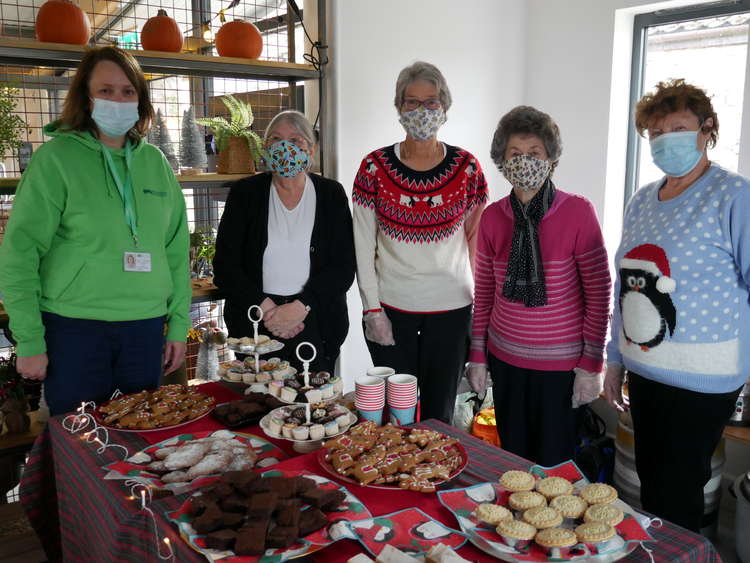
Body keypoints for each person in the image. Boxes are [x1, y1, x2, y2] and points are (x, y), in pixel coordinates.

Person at [0, 46, 190, 415]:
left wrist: (179, 325)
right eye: (106, 90)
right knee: (80, 447)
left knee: (140, 450)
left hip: (145, 329)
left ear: (140, 99)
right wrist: (30, 339)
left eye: (128, 91)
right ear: (86, 98)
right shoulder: (55, 161)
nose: (117, 99)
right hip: (76, 330)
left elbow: (175, 250)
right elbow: (19, 252)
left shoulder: (156, 164)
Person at [603, 79, 748, 533]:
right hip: (645, 369)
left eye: (679, 128)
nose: (667, 141)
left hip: (705, 379)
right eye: (656, 133)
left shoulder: (733, 196)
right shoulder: (642, 200)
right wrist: (613, 359)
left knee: (679, 491)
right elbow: (623, 283)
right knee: (650, 482)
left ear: (707, 130)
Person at [467, 106, 611, 466]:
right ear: (501, 160)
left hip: (561, 370)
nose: (524, 162)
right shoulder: (492, 217)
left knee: (556, 466)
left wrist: (591, 364)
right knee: (513, 463)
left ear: (551, 159)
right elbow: (484, 293)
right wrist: (478, 357)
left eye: (534, 154)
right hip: (506, 362)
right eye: (515, 154)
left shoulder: (578, 212)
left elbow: (599, 293)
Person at [352, 61, 488, 424]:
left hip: (453, 309)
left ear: (444, 107)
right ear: (399, 108)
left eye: (431, 102)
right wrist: (372, 310)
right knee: (395, 414)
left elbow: (479, 245)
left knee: (440, 412)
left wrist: (482, 319)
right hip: (392, 310)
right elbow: (363, 247)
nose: (421, 111)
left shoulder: (467, 168)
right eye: (411, 102)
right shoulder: (374, 168)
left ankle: (436, 480)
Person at [213, 110, 355, 373]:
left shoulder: (330, 194)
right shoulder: (245, 193)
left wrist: (300, 308)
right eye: (276, 140)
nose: (285, 147)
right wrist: (268, 310)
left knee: (315, 405)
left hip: (316, 320)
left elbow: (343, 267)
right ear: (265, 150)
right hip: (255, 322)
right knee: (256, 404)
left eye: (296, 140)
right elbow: (225, 266)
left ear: (311, 151)